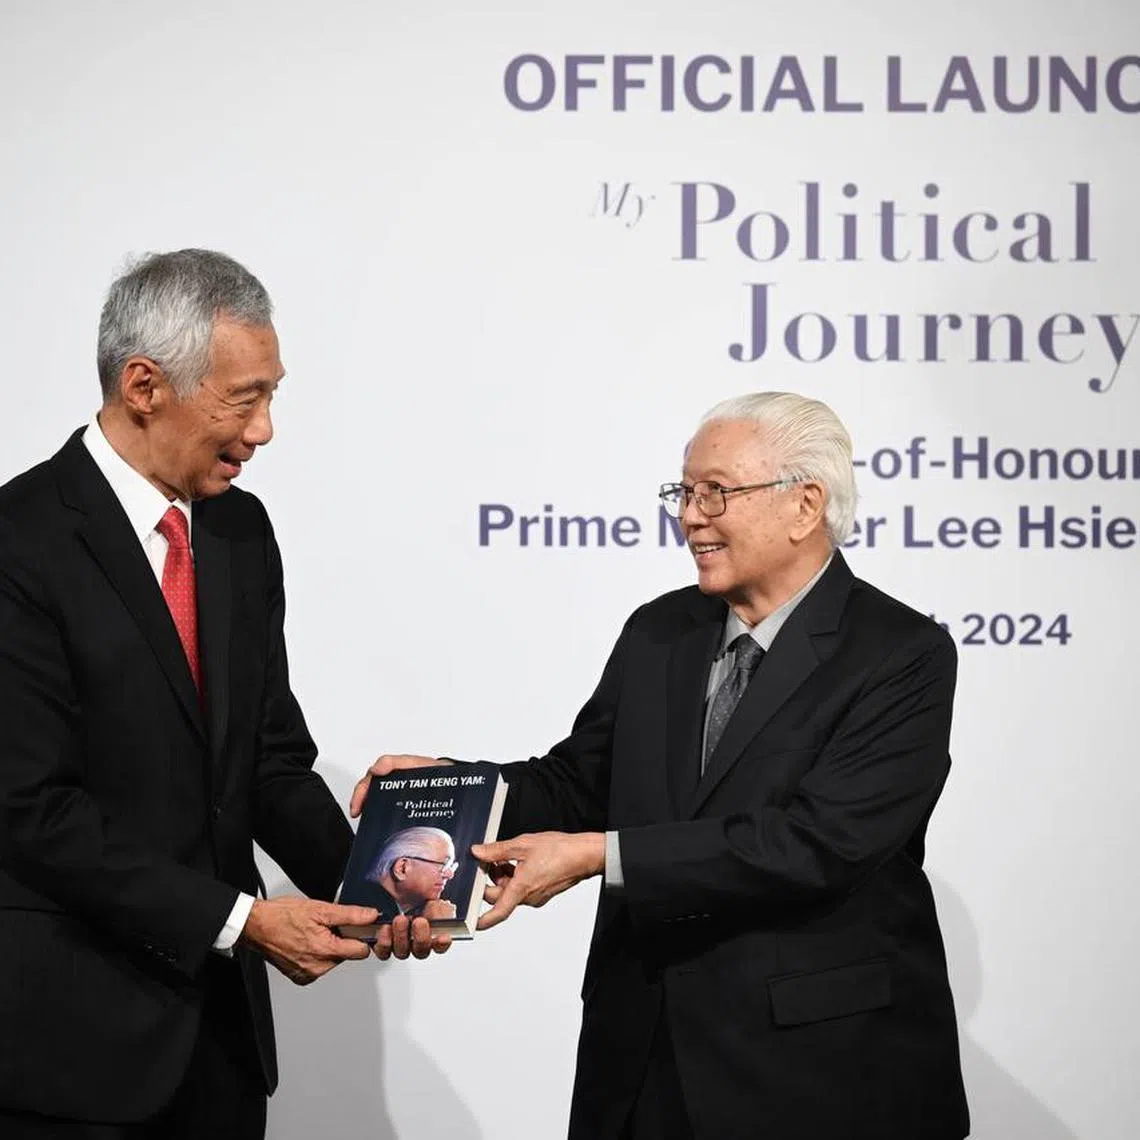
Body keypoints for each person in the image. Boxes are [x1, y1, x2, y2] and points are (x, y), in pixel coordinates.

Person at [355, 392, 970, 1140]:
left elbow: (819, 844)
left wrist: (599, 857)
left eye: (717, 492)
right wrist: (455, 788)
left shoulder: (900, 655)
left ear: (805, 505)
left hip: (816, 1071)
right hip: (642, 1059)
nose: (690, 516)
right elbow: (579, 784)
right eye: (684, 491)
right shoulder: (660, 631)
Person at [0, 249, 442, 1140]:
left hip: (221, 1051)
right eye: (245, 400)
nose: (266, 430)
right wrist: (242, 923)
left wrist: (377, 892)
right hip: (69, 1053)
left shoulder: (239, 530)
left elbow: (267, 758)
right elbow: (29, 808)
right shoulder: (20, 542)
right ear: (144, 385)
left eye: (272, 395)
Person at [367, 827, 459, 920]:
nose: (450, 875)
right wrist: (438, 927)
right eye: (444, 864)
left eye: (451, 866)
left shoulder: (388, 910)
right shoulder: (371, 913)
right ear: (402, 868)